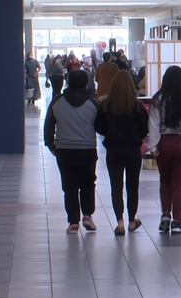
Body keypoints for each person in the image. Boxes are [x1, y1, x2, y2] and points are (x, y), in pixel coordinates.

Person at [147, 66, 181, 234]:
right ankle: (177, 221)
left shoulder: (158, 100)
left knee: (165, 181)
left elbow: (154, 125)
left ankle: (165, 216)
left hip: (164, 142)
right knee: (180, 184)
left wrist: (152, 146)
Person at [44, 70, 99, 234]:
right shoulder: (92, 104)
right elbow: (101, 125)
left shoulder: (57, 102)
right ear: (85, 84)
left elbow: (48, 127)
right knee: (88, 183)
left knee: (69, 186)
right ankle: (87, 215)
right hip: (87, 149)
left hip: (64, 150)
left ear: (67, 82)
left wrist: (52, 146)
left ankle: (73, 222)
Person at [95, 71, 149, 236]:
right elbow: (144, 129)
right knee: (133, 186)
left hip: (114, 149)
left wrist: (110, 134)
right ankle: (132, 220)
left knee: (116, 186)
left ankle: (119, 222)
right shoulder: (137, 106)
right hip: (133, 150)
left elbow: (98, 126)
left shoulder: (106, 105)